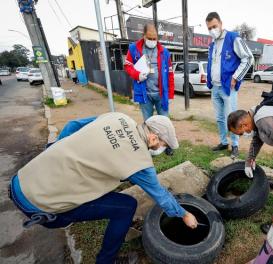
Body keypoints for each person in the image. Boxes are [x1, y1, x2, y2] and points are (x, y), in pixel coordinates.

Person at [8, 112, 198, 264]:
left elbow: (72, 125)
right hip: (40, 208)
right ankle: (106, 260)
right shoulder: (140, 162)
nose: (162, 149)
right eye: (164, 144)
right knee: (126, 207)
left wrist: (57, 152)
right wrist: (184, 214)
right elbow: (161, 196)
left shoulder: (118, 117)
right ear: (154, 138)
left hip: (20, 181)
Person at [205, 12, 254, 158]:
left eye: (214, 26)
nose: (212, 30)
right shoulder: (212, 44)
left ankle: (235, 145)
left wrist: (235, 77)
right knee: (220, 118)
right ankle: (223, 142)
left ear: (221, 23)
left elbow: (248, 58)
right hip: (215, 87)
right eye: (209, 28)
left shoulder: (233, 38)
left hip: (228, 87)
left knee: (232, 118)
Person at [124, 24, 174, 121]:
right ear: (144, 36)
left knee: (164, 122)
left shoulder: (164, 52)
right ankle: (150, 136)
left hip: (161, 94)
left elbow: (170, 74)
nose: (152, 41)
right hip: (145, 94)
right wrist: (137, 75)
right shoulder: (134, 49)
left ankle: (163, 137)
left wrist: (170, 94)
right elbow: (127, 65)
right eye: (149, 38)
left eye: (154, 38)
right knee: (148, 123)